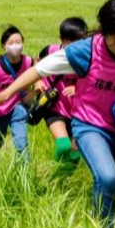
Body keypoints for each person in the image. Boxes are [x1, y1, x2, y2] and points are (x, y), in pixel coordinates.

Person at [0, 0, 115, 228]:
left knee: (113, 187)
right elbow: (40, 69)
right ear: (104, 31)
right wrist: (5, 93)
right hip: (90, 124)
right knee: (107, 177)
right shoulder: (86, 51)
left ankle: (96, 222)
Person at [34, 17, 88, 163]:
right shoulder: (50, 50)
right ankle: (55, 174)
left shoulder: (88, 57)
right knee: (64, 145)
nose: (74, 46)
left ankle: (65, 179)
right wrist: (38, 81)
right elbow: (37, 61)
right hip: (54, 106)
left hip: (77, 110)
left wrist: (77, 88)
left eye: (79, 41)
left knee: (76, 149)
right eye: (70, 42)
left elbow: (94, 80)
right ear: (62, 39)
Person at [0, 26, 35, 163]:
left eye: (18, 42)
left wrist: (32, 92)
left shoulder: (29, 62)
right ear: (3, 45)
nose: (16, 46)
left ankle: (25, 174)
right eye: (11, 43)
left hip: (17, 107)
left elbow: (41, 78)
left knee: (21, 142)